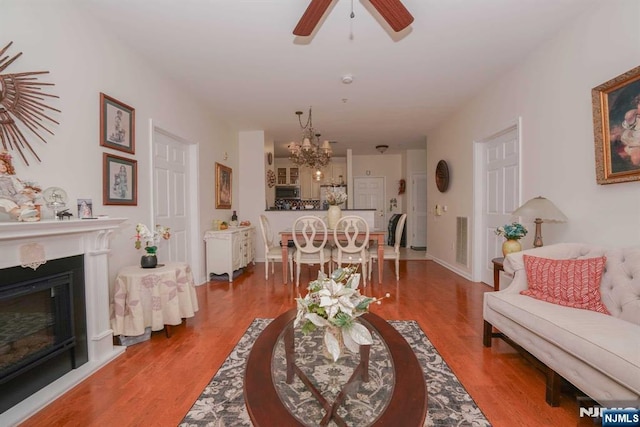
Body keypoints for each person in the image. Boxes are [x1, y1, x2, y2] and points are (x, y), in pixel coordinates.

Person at [0, 151, 40, 221]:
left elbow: (17, 186)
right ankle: (23, 214)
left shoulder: (11, 177)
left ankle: (26, 213)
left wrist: (23, 191)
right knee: (7, 203)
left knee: (23, 198)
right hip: (3, 197)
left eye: (3, 164)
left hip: (14, 195)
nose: (2, 166)